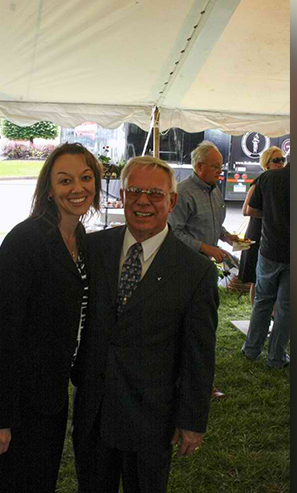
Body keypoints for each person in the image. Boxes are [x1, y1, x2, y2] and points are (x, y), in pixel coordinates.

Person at [71, 156, 219, 493]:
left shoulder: (195, 271)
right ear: (122, 196)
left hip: (152, 417)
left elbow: (199, 355)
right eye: (134, 191)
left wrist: (192, 421)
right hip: (94, 409)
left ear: (172, 201)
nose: (143, 201)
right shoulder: (93, 249)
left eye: (155, 194)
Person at [0, 143, 101, 492]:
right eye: (65, 180)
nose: (77, 188)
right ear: (49, 189)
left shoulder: (78, 239)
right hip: (17, 401)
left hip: (52, 396)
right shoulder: (26, 241)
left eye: (86, 177)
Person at [168, 140, 237, 400]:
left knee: (205, 326)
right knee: (192, 327)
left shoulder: (214, 189)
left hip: (205, 269)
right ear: (199, 166)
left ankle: (200, 381)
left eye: (221, 166)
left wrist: (226, 236)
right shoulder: (183, 192)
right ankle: (191, 382)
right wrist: (205, 247)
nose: (221, 170)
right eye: (216, 166)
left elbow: (212, 222)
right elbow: (173, 232)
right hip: (185, 268)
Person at [241, 160, 290, 369]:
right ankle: (276, 357)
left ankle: (251, 349)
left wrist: (271, 214)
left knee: (262, 301)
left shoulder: (268, 177)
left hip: (270, 250)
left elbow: (251, 209)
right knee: (286, 308)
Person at [239, 146, 287, 304]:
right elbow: (246, 210)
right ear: (266, 164)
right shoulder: (261, 181)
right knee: (256, 278)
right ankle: (256, 310)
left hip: (271, 234)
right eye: (276, 160)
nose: (280, 163)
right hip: (258, 233)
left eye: (283, 160)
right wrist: (271, 215)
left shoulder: (281, 182)